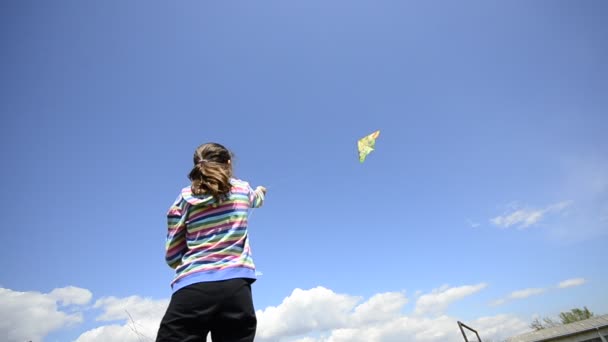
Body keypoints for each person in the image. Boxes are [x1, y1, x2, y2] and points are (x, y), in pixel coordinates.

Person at [156, 142, 266, 342]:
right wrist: (260, 191)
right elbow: (256, 200)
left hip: (192, 288)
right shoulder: (242, 189)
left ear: (198, 165)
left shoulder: (184, 198)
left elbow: (172, 256)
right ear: (229, 163)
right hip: (237, 289)